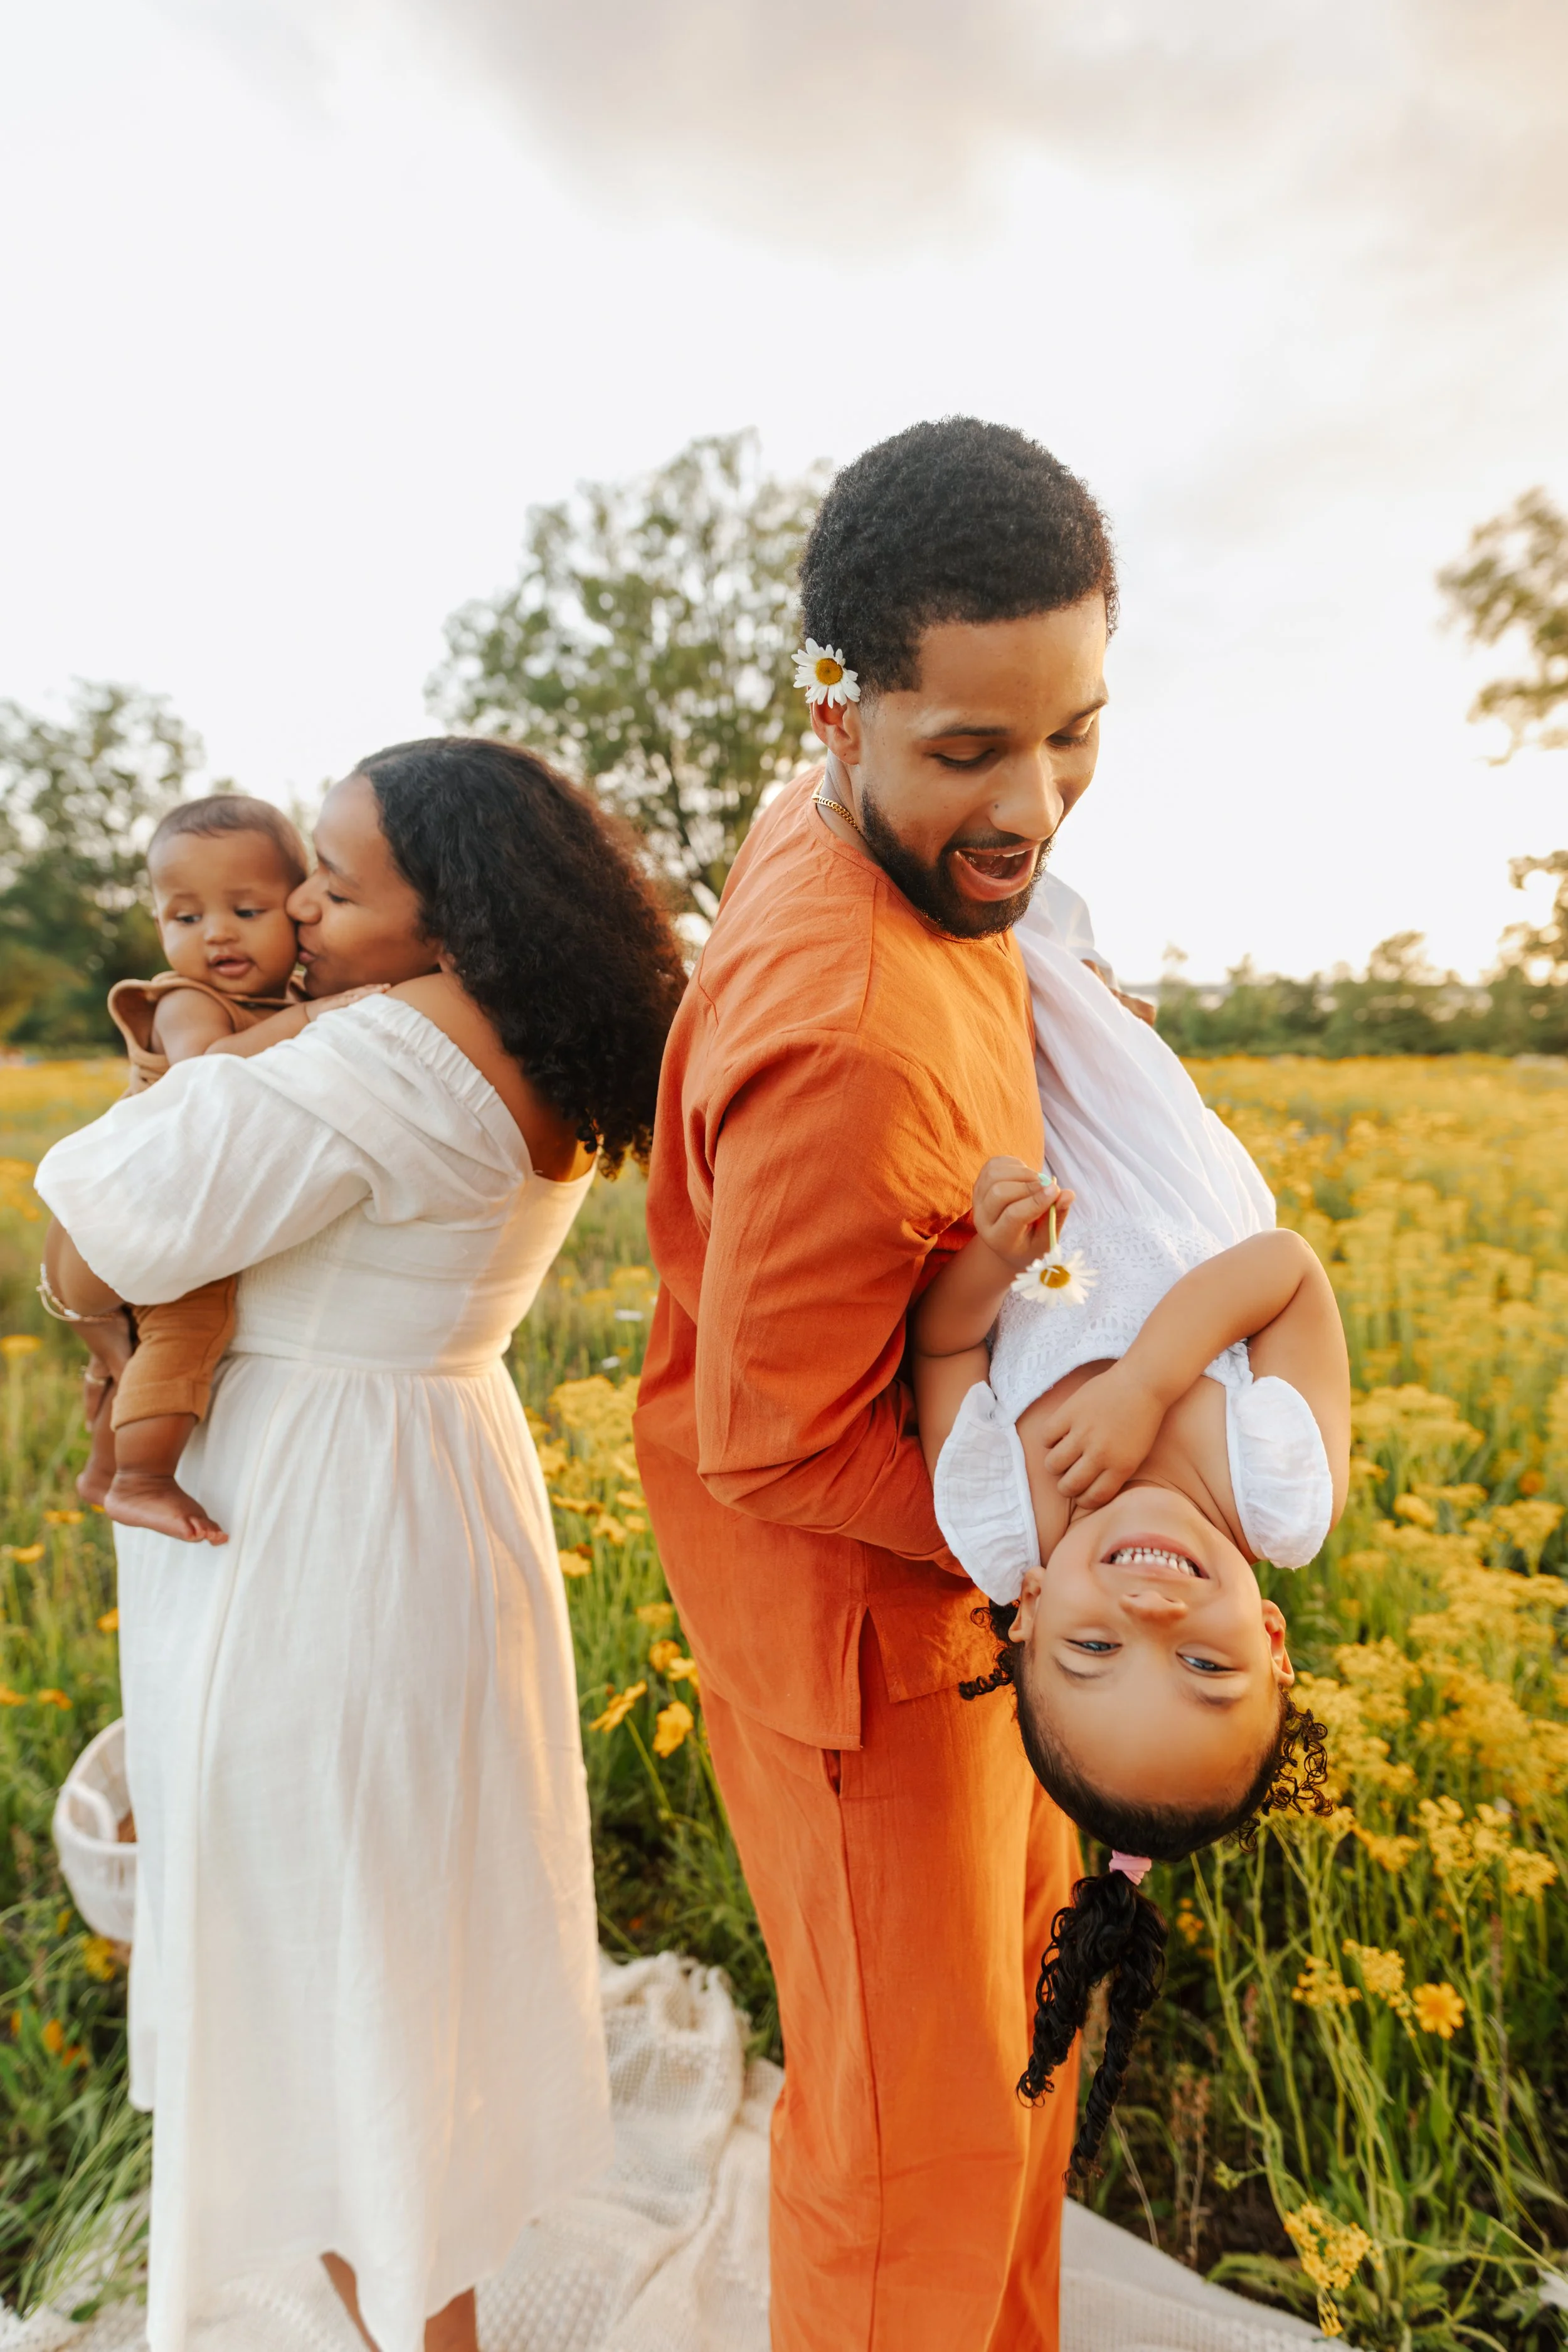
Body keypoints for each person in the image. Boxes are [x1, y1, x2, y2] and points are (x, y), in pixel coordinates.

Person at [37, 739, 689, 2352]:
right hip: (433, 1479)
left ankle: (420, 2319)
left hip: (314, 1528)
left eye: (336, 881)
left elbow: (108, 1219)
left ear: (449, 913)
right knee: (400, 1924)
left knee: (322, 1939)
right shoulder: (529, 1038)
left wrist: (191, 1046)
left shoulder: (395, 1051)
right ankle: (415, 2289)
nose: (304, 910)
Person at [635, 416, 1116, 2352]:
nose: (1035, 804)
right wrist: (1057, 1540)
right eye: (969, 751)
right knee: (907, 2154)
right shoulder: (842, 1035)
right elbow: (770, 1433)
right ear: (835, 711)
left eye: (1071, 728)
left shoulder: (856, 818)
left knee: (1014, 2052)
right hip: (864, 1661)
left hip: (971, 1626)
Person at [909, 923, 1348, 2170]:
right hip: (1158, 1151)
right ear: (1267, 1640)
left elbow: (944, 1350)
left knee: (980, 952)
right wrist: (1150, 1384)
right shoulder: (1274, 1496)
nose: (1153, 1624)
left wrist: (990, 1263)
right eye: (1206, 1669)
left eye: (1094, 1649)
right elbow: (1283, 1272)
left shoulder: (1000, 1519)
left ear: (1028, 1611)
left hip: (1021, 1158)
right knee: (1046, 922)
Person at [68, 794, 381, 1542]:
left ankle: (103, 1467)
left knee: (139, 1349)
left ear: (297, 912)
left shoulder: (281, 1000)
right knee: (189, 1326)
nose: (215, 934)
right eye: (186, 918)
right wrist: (309, 1020)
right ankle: (142, 1477)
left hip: (171, 1203)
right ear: (158, 925)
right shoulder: (186, 1002)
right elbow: (206, 1073)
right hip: (148, 1206)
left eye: (246, 911)